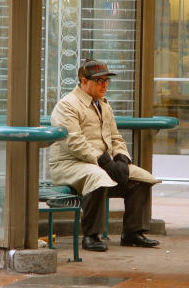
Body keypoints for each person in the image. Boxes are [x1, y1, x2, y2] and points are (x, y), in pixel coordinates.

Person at [49, 59, 161, 252]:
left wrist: (121, 159)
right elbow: (74, 142)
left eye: (106, 80)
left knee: (142, 179)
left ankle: (133, 233)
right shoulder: (67, 105)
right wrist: (104, 162)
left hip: (100, 163)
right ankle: (91, 236)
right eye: (99, 80)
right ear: (84, 81)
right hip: (69, 164)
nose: (105, 84)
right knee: (98, 178)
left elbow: (116, 137)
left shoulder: (103, 105)